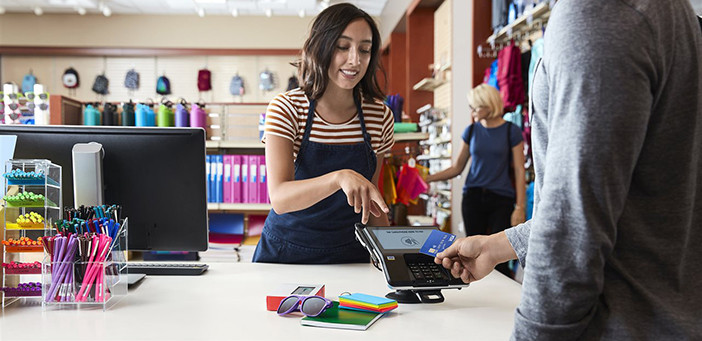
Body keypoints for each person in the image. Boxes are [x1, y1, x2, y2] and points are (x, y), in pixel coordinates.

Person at [435, 0, 702, 339]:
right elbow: (620, 202)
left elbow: (574, 223)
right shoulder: (669, 14)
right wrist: (496, 247)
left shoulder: (600, 12)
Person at [252, 3, 394, 264]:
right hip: (286, 253)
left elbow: (371, 196)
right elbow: (280, 198)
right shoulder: (287, 108)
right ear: (322, 46)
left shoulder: (380, 116)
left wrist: (391, 257)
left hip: (351, 254)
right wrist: (340, 177)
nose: (355, 59)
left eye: (364, 49)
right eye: (343, 46)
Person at [426, 84, 525, 276]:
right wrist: (428, 178)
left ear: (489, 105)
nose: (471, 112)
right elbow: (457, 168)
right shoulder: (471, 131)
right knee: (471, 255)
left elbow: (520, 170)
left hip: (501, 200)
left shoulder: (510, 131)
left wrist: (520, 207)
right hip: (473, 198)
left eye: (475, 107)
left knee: (500, 258)